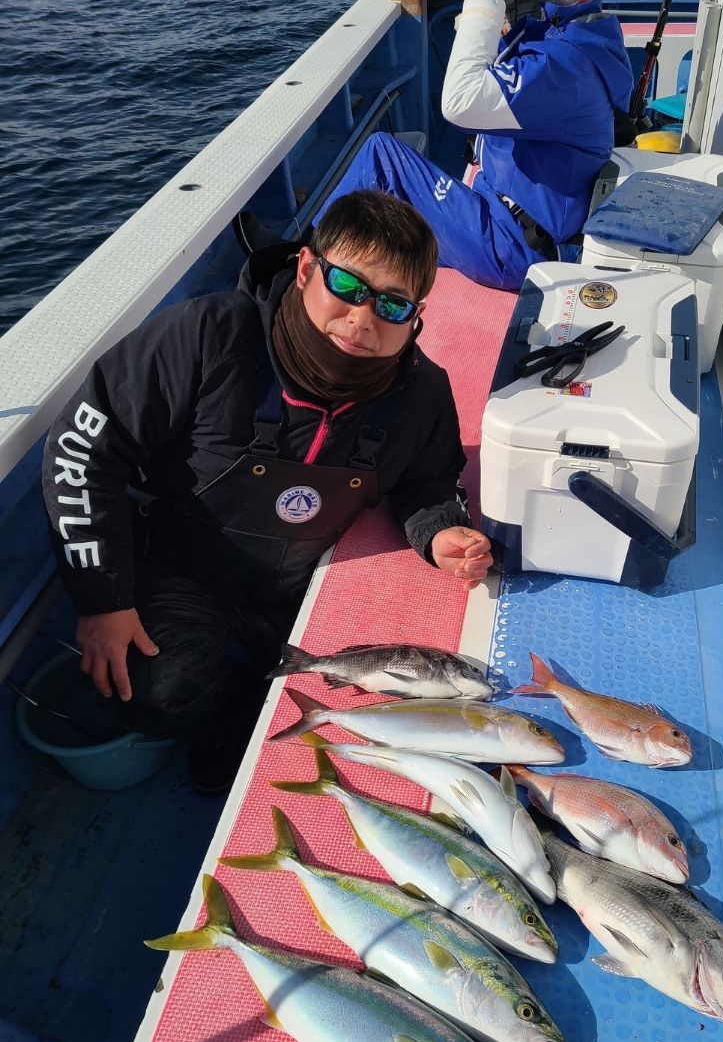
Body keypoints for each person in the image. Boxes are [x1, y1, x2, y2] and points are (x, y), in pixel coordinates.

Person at [41, 190, 493, 795]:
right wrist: (103, 599)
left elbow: (428, 479)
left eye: (391, 304)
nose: (362, 319)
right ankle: (228, 719)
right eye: (348, 286)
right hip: (180, 570)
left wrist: (439, 531)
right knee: (151, 690)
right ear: (306, 269)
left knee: (415, 689)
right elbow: (82, 451)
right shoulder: (207, 336)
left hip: (299, 583)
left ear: (415, 316)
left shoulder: (421, 392)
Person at [310, 0, 634, 290]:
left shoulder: (559, 69)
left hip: (513, 244)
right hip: (524, 223)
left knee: (382, 158)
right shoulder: (579, 41)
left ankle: (303, 262)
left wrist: (484, 1)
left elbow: (460, 102)